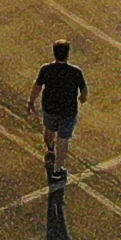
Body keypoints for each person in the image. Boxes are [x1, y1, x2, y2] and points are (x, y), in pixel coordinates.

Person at [33, 41, 87, 175]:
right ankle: (57, 169)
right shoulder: (75, 72)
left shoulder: (46, 69)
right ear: (68, 54)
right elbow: (84, 90)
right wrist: (82, 98)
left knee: (49, 130)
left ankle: (50, 149)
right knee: (63, 140)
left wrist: (31, 101)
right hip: (68, 111)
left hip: (50, 108)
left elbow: (37, 87)